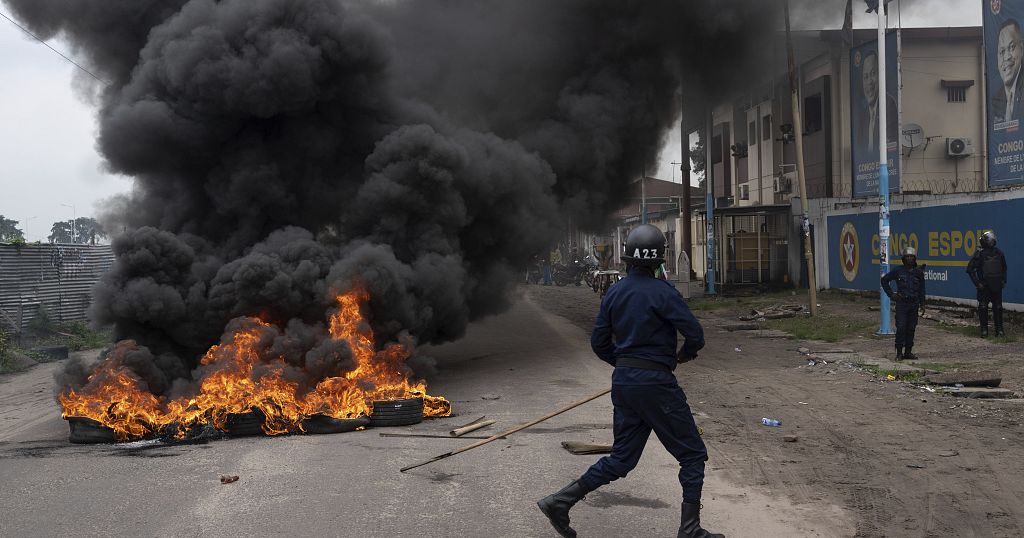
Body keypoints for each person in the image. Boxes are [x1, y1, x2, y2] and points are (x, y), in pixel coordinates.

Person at [537, 224, 722, 538]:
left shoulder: (614, 293)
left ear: (626, 258)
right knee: (692, 455)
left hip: (625, 383)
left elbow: (598, 342)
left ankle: (560, 501)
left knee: (622, 459)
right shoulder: (664, 292)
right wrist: (683, 355)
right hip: (657, 384)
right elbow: (695, 334)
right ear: (659, 259)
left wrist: (624, 365)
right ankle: (690, 529)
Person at [881, 247, 926, 360]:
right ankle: (899, 353)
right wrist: (891, 294)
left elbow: (922, 289)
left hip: (914, 304)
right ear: (903, 258)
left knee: (911, 328)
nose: (909, 259)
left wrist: (923, 304)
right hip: (902, 304)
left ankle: (908, 352)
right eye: (907, 257)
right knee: (901, 327)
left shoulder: (918, 273)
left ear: (915, 258)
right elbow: (884, 280)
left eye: (911, 257)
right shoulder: (898, 271)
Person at [856, 50, 898, 154]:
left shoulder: (888, 104)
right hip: (869, 168)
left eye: (873, 74)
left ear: (880, 75)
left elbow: (892, 143)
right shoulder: (863, 116)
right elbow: (860, 149)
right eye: (865, 77)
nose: (869, 82)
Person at [967, 231, 1008, 337]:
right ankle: (984, 330)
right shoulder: (979, 254)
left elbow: (1004, 268)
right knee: (983, 307)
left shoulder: (999, 253)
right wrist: (977, 283)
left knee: (998, 307)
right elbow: (970, 269)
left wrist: (1003, 280)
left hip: (996, 285)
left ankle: (999, 330)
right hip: (984, 286)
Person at [992, 19, 1024, 127]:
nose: (1006, 57)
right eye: (1002, 51)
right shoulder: (995, 101)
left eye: (1011, 47)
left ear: (1022, 48)